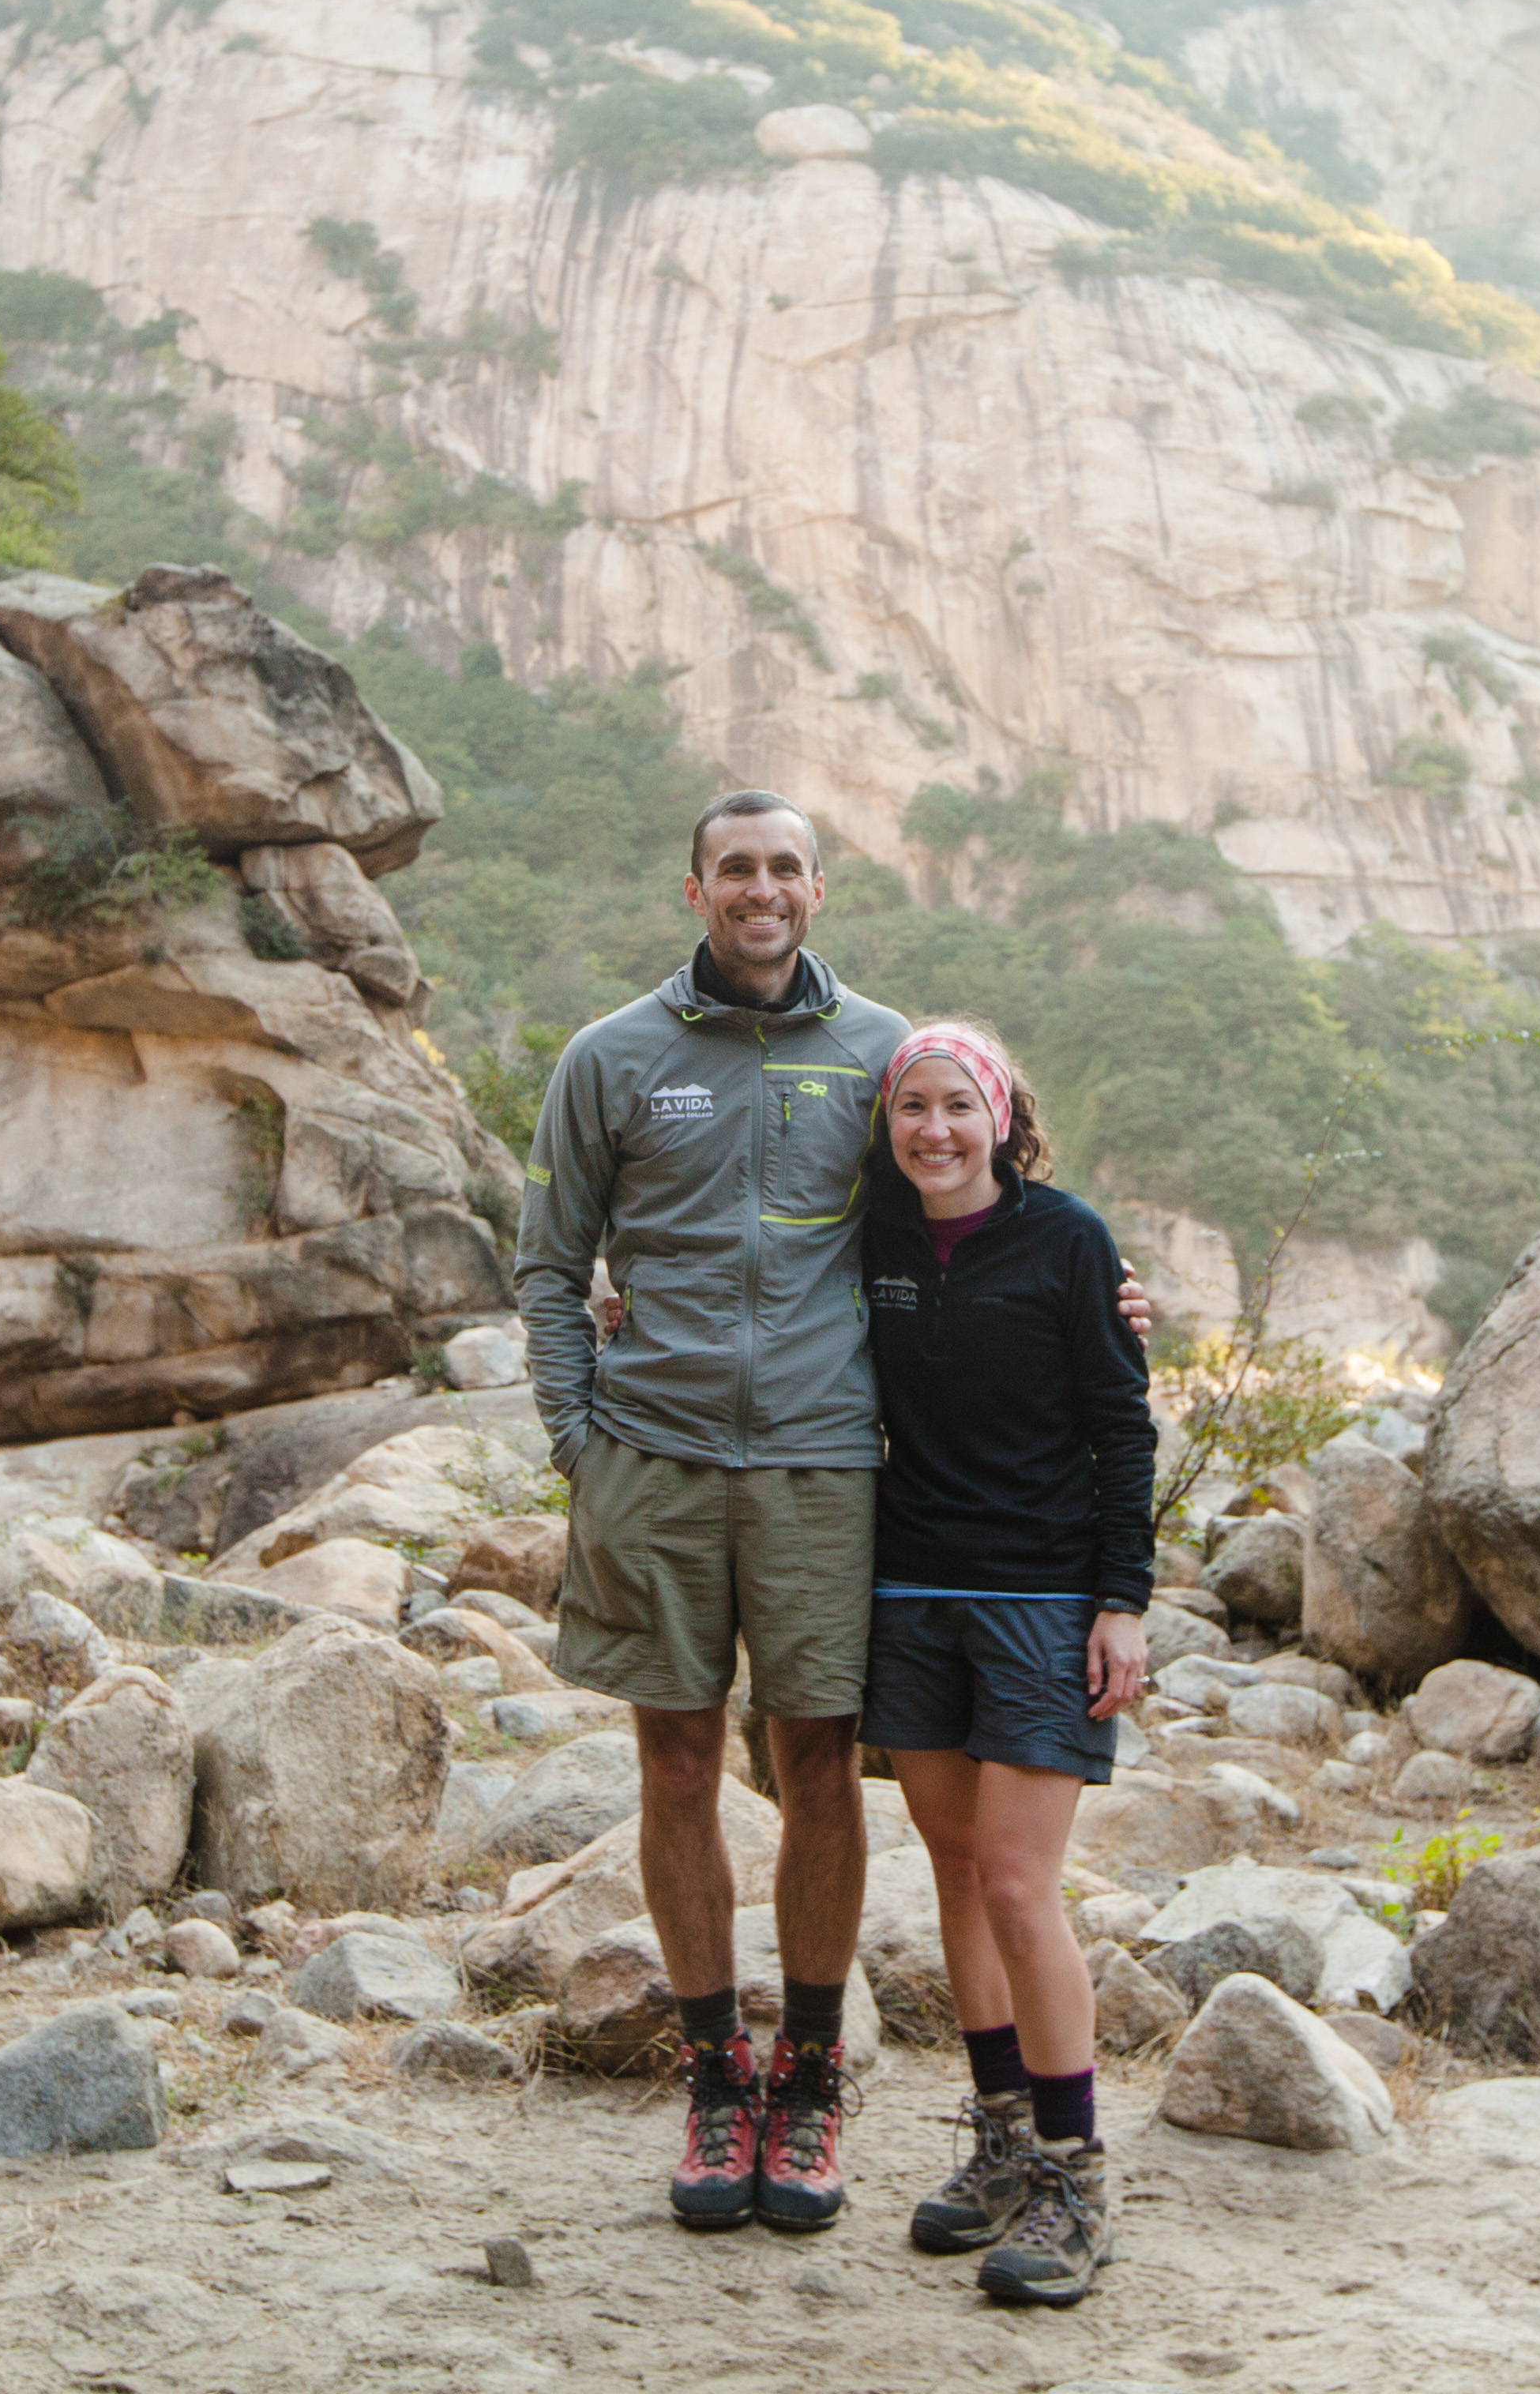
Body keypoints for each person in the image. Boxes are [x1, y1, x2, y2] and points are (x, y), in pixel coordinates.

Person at [512, 791, 1143, 2236]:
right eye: (735, 868)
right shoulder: (610, 1057)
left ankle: (807, 2084)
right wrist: (575, 1441)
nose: (761, 889)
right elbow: (552, 1268)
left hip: (822, 1469)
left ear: (819, 889)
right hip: (652, 1464)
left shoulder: (879, 1052)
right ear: (694, 890)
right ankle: (712, 2076)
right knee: (674, 1767)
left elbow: (969, 1197)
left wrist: (1098, 1294)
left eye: (785, 868)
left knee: (814, 1766)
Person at [855, 1017, 1151, 2308]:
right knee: (958, 1871)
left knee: (1024, 1885)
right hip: (910, 1592)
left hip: (1040, 1600)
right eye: (911, 1107)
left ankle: (1076, 2173)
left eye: (955, 1107)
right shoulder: (867, 1239)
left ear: (998, 1117)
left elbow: (1121, 1427)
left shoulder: (1072, 1241)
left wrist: (1123, 1606)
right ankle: (1001, 2141)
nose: (933, 1130)